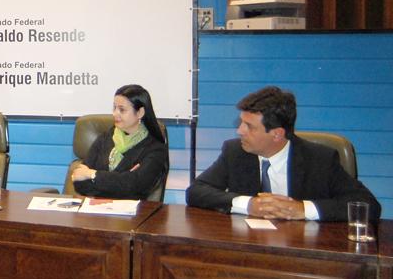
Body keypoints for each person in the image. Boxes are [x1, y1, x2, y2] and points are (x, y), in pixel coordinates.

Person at [186, 86, 380, 221]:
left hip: (304, 250)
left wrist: (302, 209)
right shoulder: (235, 151)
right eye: (241, 123)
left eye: (249, 126)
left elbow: (368, 205)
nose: (240, 131)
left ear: (277, 134)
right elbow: (196, 192)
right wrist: (248, 204)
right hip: (250, 246)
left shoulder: (320, 159)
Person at [70, 84, 169, 200]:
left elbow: (136, 186)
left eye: (122, 110)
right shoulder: (105, 138)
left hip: (134, 211)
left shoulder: (155, 148)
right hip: (96, 208)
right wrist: (122, 180)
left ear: (140, 112)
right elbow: (79, 182)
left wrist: (92, 174)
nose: (115, 114)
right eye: (114, 108)